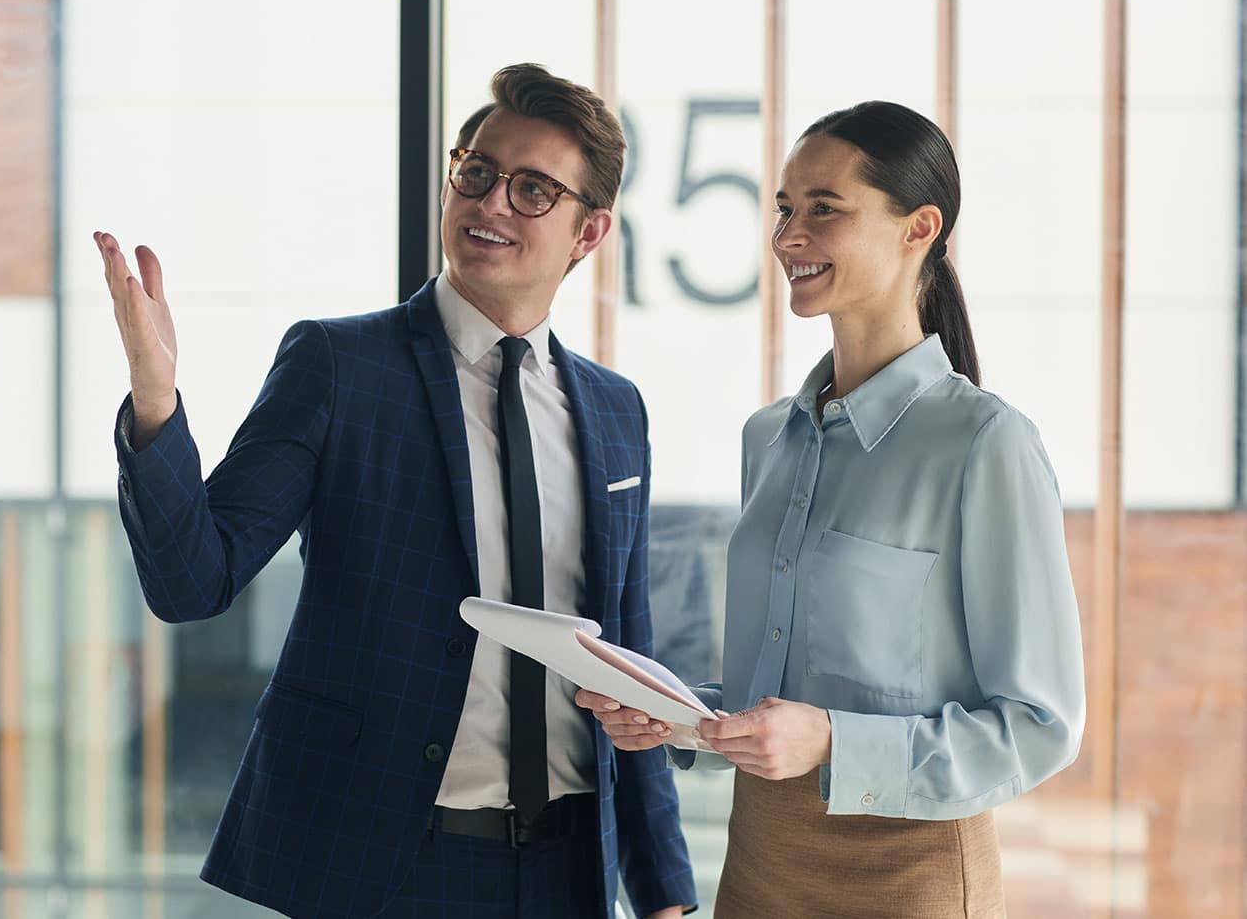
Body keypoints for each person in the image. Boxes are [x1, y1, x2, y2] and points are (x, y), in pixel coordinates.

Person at [96, 63, 696, 919]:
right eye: (477, 172)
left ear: (588, 232)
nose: (490, 203)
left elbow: (627, 657)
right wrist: (156, 404)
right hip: (387, 866)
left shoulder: (614, 410)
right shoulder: (340, 366)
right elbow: (193, 583)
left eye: (532, 190)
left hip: (570, 872)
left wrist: (665, 892)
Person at [579, 100, 1085, 917]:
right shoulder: (767, 439)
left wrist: (834, 743)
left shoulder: (986, 444)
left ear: (919, 227)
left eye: (824, 210)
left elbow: (1040, 727)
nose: (786, 237)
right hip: (760, 866)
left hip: (908, 876)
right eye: (784, 208)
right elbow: (783, 696)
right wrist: (683, 717)